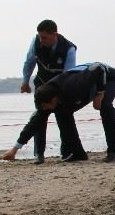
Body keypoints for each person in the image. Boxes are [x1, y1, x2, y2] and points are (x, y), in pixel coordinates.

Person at [2, 62, 115, 163]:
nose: (45, 109)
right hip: (78, 93)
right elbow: (33, 125)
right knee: (62, 114)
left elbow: (98, 68)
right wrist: (14, 150)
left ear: (53, 99)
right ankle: (78, 153)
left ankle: (113, 151)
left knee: (105, 106)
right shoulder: (46, 101)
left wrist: (100, 93)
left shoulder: (74, 84)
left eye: (45, 106)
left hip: (107, 77)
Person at [19, 19, 77, 164]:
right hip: (42, 85)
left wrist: (58, 96)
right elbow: (29, 62)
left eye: (44, 37)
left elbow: (68, 75)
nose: (41, 40)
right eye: (39, 36)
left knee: (63, 116)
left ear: (54, 35)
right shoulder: (36, 43)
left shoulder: (69, 49)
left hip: (60, 85)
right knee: (40, 116)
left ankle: (67, 152)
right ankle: (39, 154)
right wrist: (25, 81)